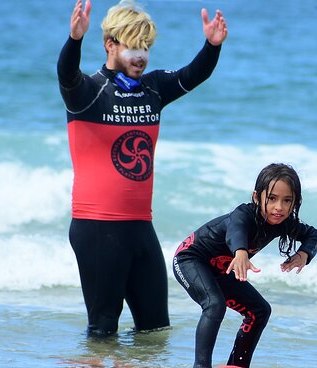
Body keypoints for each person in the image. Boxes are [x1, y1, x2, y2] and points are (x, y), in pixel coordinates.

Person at [57, 0, 228, 336]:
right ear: (111, 45)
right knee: (103, 328)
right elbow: (66, 74)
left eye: (146, 47)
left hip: (140, 227)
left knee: (154, 329)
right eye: (133, 46)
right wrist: (74, 40)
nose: (141, 56)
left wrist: (212, 46)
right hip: (97, 227)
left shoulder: (153, 88)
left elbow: (194, 74)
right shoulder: (89, 92)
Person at [172, 163, 317, 368]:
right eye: (271, 198)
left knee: (260, 311)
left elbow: (313, 234)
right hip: (190, 259)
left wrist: (304, 254)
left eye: (286, 200)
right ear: (256, 196)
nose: (279, 207)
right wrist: (240, 251)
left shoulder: (284, 223)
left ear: (295, 202)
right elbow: (235, 229)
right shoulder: (242, 214)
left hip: (220, 269)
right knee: (215, 305)